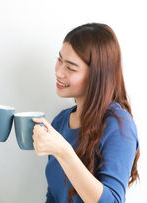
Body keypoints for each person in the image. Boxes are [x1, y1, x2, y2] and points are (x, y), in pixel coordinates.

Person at [33, 23, 140, 203]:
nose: (59, 72)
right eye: (59, 60)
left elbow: (112, 201)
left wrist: (64, 151)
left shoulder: (119, 125)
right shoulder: (60, 122)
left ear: (96, 76)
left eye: (70, 68)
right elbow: (54, 196)